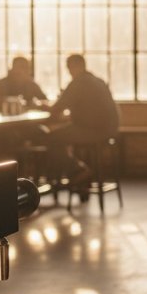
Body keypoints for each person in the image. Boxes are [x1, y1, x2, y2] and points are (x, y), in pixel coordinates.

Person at [47, 54, 120, 193]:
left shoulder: (78, 83)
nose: (69, 72)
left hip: (91, 130)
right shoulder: (98, 80)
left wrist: (43, 107)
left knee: (51, 137)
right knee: (64, 133)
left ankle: (77, 170)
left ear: (74, 66)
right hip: (109, 130)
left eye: (69, 68)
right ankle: (77, 175)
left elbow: (57, 108)